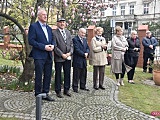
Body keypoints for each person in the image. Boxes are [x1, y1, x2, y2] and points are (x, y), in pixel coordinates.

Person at [28, 8, 55, 101]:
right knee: (39, 74)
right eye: (43, 14)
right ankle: (38, 94)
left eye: (46, 14)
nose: (45, 16)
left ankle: (45, 93)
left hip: (48, 55)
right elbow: (31, 41)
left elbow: (52, 39)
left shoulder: (49, 28)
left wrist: (53, 46)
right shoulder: (34, 27)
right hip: (39, 55)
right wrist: (44, 47)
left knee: (48, 75)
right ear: (38, 16)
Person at [53, 18, 73, 98]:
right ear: (57, 23)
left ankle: (66, 89)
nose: (62, 24)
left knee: (67, 73)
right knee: (58, 74)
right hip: (59, 58)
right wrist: (62, 54)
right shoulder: (54, 33)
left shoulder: (68, 32)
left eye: (63, 22)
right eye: (60, 22)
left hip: (68, 57)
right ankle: (58, 91)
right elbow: (55, 46)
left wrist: (70, 53)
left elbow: (71, 44)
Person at [72, 28, 90, 93]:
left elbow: (87, 47)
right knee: (76, 74)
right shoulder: (75, 39)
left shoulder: (85, 39)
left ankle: (83, 86)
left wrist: (87, 53)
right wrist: (83, 54)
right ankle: (75, 87)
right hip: (78, 59)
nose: (83, 34)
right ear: (79, 32)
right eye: (82, 33)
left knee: (83, 73)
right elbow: (76, 49)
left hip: (84, 60)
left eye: (84, 33)